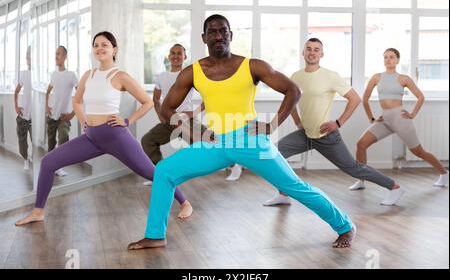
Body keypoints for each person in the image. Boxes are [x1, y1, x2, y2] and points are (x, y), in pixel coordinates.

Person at [128, 15, 355, 251]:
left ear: (230, 35)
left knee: (293, 186)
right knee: (164, 171)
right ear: (204, 37)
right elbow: (166, 109)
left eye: (223, 31)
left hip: (250, 139)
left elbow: (293, 90)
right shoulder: (193, 72)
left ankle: (345, 226)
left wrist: (271, 125)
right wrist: (193, 134)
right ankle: (155, 235)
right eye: (213, 31)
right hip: (214, 142)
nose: (218, 36)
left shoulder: (252, 66)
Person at [15, 31, 191, 227]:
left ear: (114, 49)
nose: (99, 48)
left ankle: (185, 202)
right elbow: (77, 100)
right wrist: (84, 121)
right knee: (48, 162)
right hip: (92, 138)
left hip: (116, 136)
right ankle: (38, 211)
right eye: (96, 45)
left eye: (104, 44)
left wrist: (127, 120)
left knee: (152, 172)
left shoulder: (120, 76)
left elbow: (147, 102)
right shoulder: (88, 75)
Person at [264, 38, 405, 207]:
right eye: (309, 49)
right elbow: (290, 99)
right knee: (275, 154)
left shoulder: (330, 76)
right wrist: (298, 122)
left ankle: (394, 187)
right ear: (303, 53)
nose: (312, 52)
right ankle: (283, 194)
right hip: (306, 134)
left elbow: (354, 98)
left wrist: (338, 123)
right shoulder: (296, 77)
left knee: (354, 168)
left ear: (321, 54)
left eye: (316, 49)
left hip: (326, 135)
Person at [351, 48, 448, 191]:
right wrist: (371, 118)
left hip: (400, 119)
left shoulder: (404, 78)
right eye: (385, 57)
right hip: (385, 120)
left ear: (397, 60)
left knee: (419, 152)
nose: (388, 59)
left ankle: (444, 173)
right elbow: (364, 99)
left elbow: (420, 97)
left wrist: (413, 114)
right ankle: (361, 179)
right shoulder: (376, 77)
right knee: (361, 144)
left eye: (391, 57)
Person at [141, 44, 206, 189]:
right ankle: (161, 174)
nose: (176, 56)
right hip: (169, 121)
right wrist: (161, 117)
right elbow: (156, 99)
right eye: (173, 53)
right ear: (169, 56)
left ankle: (234, 164)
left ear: (185, 57)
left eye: (179, 53)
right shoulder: (162, 76)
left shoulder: (190, 75)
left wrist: (193, 113)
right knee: (147, 141)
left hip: (186, 121)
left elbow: (208, 98)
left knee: (210, 141)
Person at [45, 46, 78, 177]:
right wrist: (47, 106)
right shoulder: (53, 74)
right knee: (51, 144)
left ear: (65, 56)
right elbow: (48, 91)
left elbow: (80, 94)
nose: (56, 56)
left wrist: (73, 113)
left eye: (58, 54)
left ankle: (58, 166)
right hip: (52, 115)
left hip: (64, 116)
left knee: (63, 138)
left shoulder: (71, 75)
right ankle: (50, 166)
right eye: (55, 53)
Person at [14, 47, 32, 171]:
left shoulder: (41, 74)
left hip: (34, 117)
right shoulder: (25, 74)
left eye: (29, 55)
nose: (27, 58)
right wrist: (16, 105)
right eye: (26, 56)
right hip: (23, 115)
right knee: (22, 143)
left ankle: (31, 157)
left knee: (36, 142)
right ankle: (25, 159)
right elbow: (16, 91)